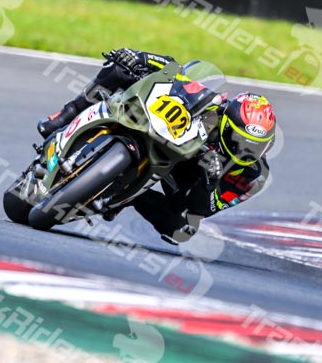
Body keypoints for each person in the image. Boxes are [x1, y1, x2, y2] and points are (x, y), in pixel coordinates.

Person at [36, 48, 276, 245]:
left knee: (182, 230)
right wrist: (139, 58)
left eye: (256, 148)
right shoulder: (214, 106)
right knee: (121, 68)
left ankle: (125, 196)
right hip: (169, 135)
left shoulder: (252, 177)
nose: (245, 151)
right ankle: (65, 116)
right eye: (238, 141)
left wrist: (209, 180)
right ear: (226, 125)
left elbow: (202, 209)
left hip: (188, 179)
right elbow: (176, 72)